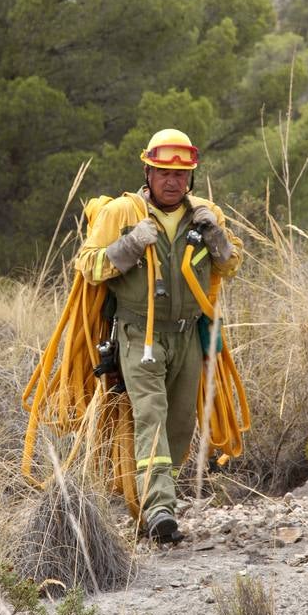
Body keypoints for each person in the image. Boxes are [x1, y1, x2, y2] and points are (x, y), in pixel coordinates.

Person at [75, 129, 243, 543]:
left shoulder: (206, 213)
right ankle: (160, 510)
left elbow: (231, 264)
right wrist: (130, 245)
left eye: (181, 174)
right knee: (150, 414)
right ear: (147, 171)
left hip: (187, 336)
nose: (173, 181)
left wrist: (216, 236)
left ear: (191, 177)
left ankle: (148, 500)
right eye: (164, 172)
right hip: (139, 336)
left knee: (180, 426)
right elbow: (88, 264)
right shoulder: (121, 213)